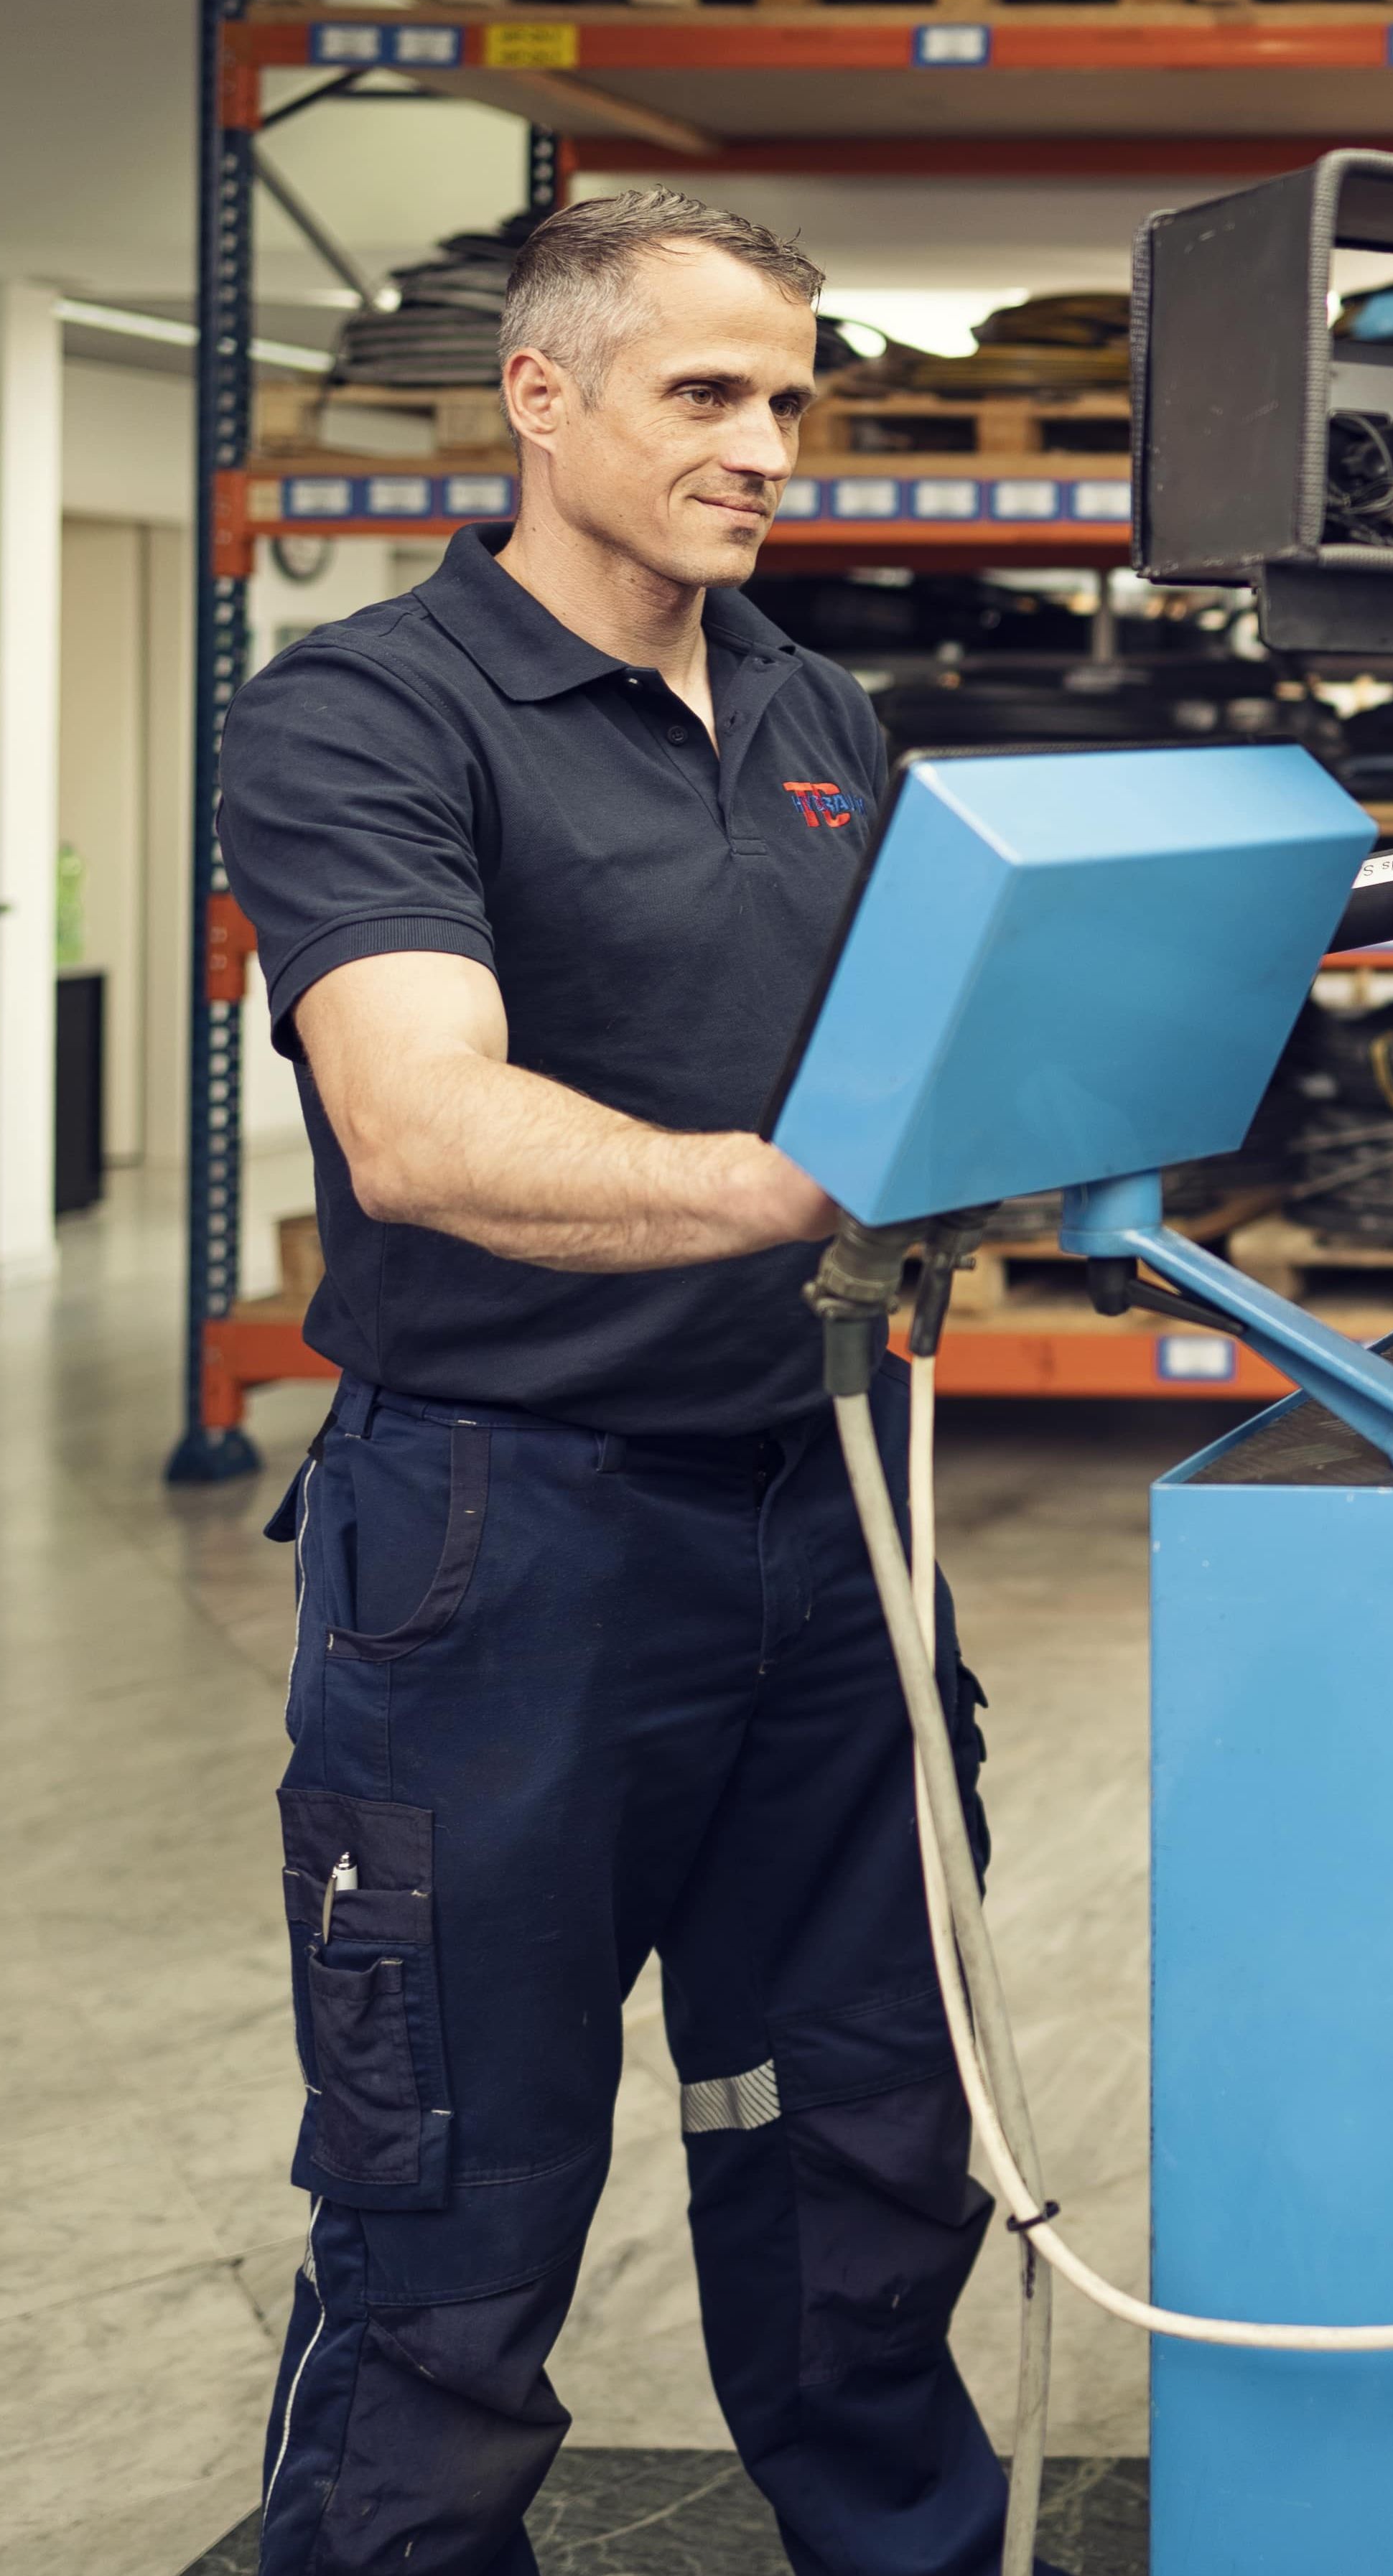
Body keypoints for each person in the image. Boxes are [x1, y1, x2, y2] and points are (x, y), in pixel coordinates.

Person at [219, 190, 1017, 2572]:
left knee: (864, 2130)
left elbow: (910, 1052)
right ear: (539, 398)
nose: (768, 445)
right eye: (706, 395)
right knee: (459, 2182)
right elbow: (419, 1122)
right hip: (504, 1538)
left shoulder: (807, 705)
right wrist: (795, 1190)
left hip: (827, 1504)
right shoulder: (367, 711)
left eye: (788, 397)